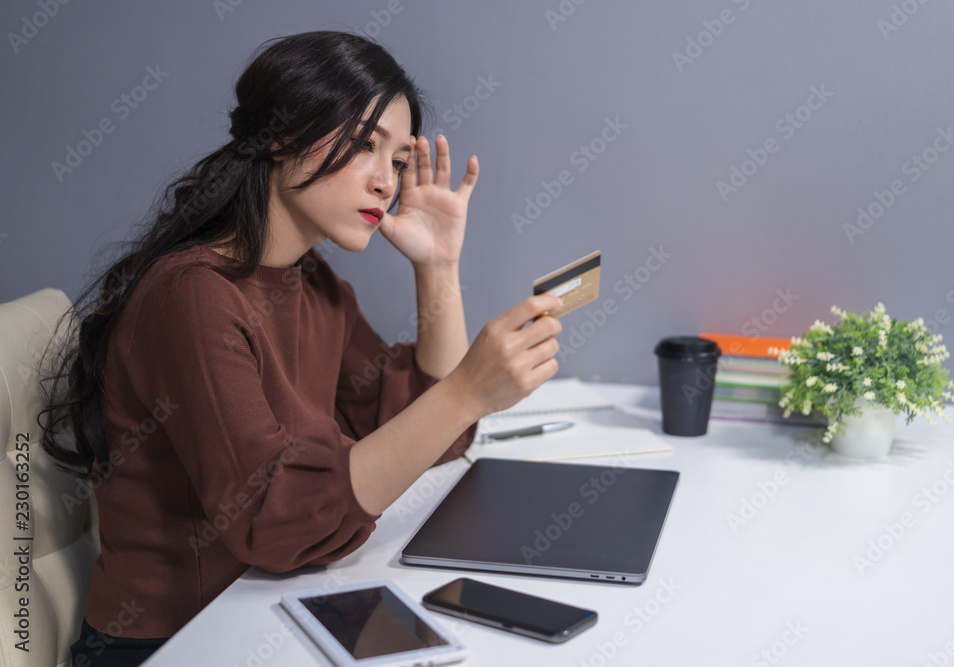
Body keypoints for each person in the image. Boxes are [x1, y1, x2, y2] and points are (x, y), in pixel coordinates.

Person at [38, 30, 563, 666]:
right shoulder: (192, 296)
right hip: (170, 644)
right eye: (365, 145)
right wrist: (465, 394)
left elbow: (416, 431)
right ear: (283, 134)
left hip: (267, 610)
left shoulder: (313, 284)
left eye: (397, 162)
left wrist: (438, 268)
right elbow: (270, 519)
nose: (385, 183)